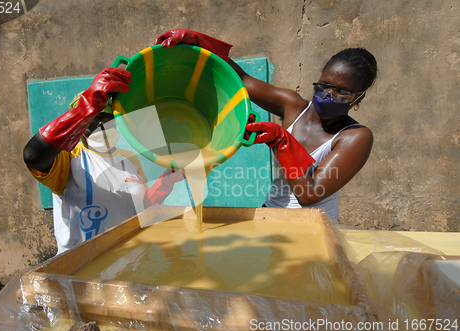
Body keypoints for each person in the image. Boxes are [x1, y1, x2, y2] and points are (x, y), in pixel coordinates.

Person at [155, 29, 377, 220]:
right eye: (325, 84)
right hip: (272, 214)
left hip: (315, 226)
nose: (328, 94)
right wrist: (199, 42)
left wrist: (281, 141)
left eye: (341, 91)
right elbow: (241, 79)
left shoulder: (355, 137)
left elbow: (309, 194)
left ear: (358, 97)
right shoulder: (293, 106)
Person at [23, 68, 183, 254]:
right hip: (80, 269)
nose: (102, 128)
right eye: (92, 122)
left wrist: (165, 183)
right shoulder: (67, 159)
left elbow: (139, 210)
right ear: (79, 127)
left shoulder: (129, 160)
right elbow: (33, 156)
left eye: (109, 121)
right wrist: (86, 107)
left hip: (126, 263)